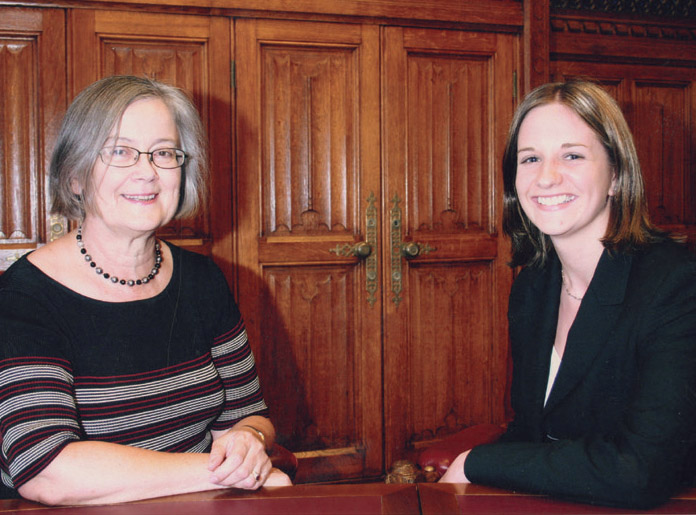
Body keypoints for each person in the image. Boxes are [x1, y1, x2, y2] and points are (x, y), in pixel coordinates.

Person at [0, 75, 291, 505]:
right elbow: (46, 470)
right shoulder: (24, 296)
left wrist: (248, 439)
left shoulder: (203, 280)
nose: (147, 171)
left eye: (163, 152)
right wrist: (224, 474)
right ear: (75, 176)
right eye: (120, 151)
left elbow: (250, 415)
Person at [439, 80, 696, 509]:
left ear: (616, 175)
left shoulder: (676, 286)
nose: (546, 176)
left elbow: (638, 470)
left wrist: (475, 462)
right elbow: (533, 434)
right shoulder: (533, 285)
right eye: (531, 158)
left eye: (572, 155)